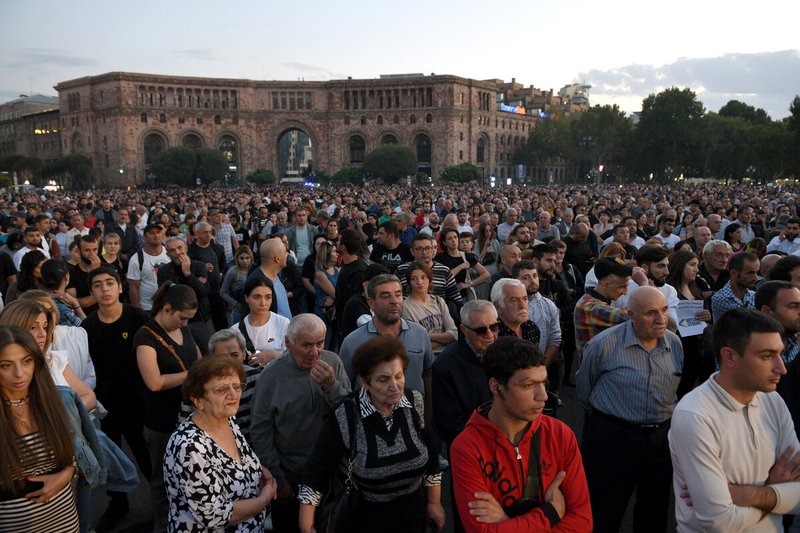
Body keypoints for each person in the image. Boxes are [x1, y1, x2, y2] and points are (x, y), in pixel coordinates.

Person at [669, 308, 800, 532]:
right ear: (729, 356)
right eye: (767, 356)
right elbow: (720, 522)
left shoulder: (773, 401)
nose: (782, 368)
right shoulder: (694, 416)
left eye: (780, 353)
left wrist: (744, 494)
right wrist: (775, 494)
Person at [298, 336, 445, 533]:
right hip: (364, 521)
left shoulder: (414, 402)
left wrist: (434, 503)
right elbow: (315, 473)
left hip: (414, 518)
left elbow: (433, 460)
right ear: (365, 381)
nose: (394, 386)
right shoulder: (347, 414)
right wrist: (307, 526)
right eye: (383, 379)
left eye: (399, 376)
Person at [450, 336, 592, 532]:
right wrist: (550, 514)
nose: (543, 396)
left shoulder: (561, 435)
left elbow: (582, 522)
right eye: (528, 385)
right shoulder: (467, 447)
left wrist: (506, 521)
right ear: (496, 386)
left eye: (543, 383)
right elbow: (480, 530)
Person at [577, 286, 683, 533]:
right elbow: (585, 392)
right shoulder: (603, 345)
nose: (661, 319)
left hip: (659, 442)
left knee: (654, 512)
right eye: (651, 313)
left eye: (664, 310)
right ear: (629, 314)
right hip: (613, 439)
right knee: (605, 510)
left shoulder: (675, 343)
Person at [250, 314, 350, 533]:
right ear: (288, 343)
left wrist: (331, 387)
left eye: (320, 343)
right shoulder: (271, 377)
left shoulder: (332, 363)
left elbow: (349, 416)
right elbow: (261, 432)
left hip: (332, 478)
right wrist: (278, 478)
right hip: (292, 480)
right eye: (306, 345)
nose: (314, 352)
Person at [164, 356, 277, 532]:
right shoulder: (189, 447)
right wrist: (264, 499)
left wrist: (257, 470)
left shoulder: (228, 420)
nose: (233, 395)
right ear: (198, 400)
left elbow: (234, 463)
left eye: (236, 386)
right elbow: (215, 516)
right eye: (221, 389)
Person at [80, 265, 151, 531]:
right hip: (104, 406)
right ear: (92, 292)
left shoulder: (136, 316)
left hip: (139, 401)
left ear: (120, 286)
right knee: (108, 457)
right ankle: (118, 502)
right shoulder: (87, 327)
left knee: (146, 455)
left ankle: (164, 499)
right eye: (98, 285)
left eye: (110, 283)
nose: (105, 289)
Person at [134, 282, 201, 533]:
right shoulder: (145, 336)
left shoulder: (185, 329)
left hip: (189, 418)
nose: (185, 324)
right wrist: (191, 375)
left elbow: (197, 359)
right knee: (162, 481)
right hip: (162, 422)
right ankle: (162, 526)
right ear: (167, 309)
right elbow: (154, 382)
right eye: (182, 318)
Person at [0, 325, 80, 532]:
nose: (20, 373)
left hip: (65, 520)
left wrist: (68, 472)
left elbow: (73, 452)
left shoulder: (52, 400)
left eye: (26, 361)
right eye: (6, 365)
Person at [339, 274, 434, 401]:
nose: (394, 301)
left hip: (415, 414)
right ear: (371, 303)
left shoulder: (420, 333)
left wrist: (429, 413)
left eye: (398, 295)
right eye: (385, 296)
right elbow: (344, 385)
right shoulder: (353, 342)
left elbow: (428, 374)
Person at [0, 299, 96, 411]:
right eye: (33, 327)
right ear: (14, 327)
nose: (42, 334)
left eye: (45, 327)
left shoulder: (54, 362)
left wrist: (65, 414)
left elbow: (89, 396)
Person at [667, 250, 714, 398]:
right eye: (692, 265)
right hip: (680, 346)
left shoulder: (695, 288)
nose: (696, 269)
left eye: (697, 266)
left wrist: (708, 316)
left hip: (699, 347)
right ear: (680, 265)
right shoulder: (670, 290)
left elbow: (705, 314)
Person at [157, 236, 214, 354]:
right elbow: (166, 296)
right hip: (177, 321)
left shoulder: (199, 266)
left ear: (186, 248)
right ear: (168, 255)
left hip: (199, 319)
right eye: (172, 250)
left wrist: (188, 274)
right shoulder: (163, 271)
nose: (177, 253)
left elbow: (203, 292)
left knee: (207, 353)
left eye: (179, 248)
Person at [574, 257, 632, 351]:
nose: (625, 292)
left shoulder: (590, 300)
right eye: (622, 287)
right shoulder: (589, 307)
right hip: (595, 365)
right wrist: (644, 284)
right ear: (606, 285)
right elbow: (637, 318)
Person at [231, 276, 289, 368]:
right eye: (257, 297)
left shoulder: (283, 323)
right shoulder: (235, 331)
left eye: (268, 297)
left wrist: (274, 355)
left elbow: (293, 359)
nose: (263, 303)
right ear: (246, 298)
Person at [402, 261, 457, 353]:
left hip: (447, 354)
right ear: (409, 283)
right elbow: (415, 342)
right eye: (413, 279)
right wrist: (443, 340)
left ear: (429, 279)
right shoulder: (405, 307)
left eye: (423, 277)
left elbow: (454, 334)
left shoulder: (438, 301)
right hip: (425, 358)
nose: (419, 282)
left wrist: (427, 336)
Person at [435, 228, 489, 301]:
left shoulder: (467, 256)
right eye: (450, 238)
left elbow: (486, 274)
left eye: (455, 237)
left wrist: (468, 284)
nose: (453, 240)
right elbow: (444, 277)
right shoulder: (440, 257)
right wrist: (461, 266)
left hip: (463, 297)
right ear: (444, 242)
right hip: (446, 298)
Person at [127, 223, 170, 312]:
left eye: (158, 232)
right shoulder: (136, 259)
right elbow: (133, 287)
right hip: (147, 308)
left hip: (169, 306)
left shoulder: (169, 253)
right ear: (144, 237)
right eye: (151, 233)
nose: (156, 235)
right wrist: (137, 310)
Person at [711, 251, 759, 322]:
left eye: (756, 272)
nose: (755, 278)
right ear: (734, 273)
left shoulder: (754, 295)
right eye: (750, 273)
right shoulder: (720, 298)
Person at [221, 245, 254, 325]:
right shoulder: (232, 272)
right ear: (237, 259)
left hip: (253, 309)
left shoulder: (254, 269)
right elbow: (223, 292)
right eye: (242, 258)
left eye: (247, 258)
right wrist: (236, 304)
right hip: (239, 311)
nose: (245, 261)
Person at [313, 240, 339, 324]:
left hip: (335, 311)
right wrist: (335, 297)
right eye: (334, 251)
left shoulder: (336, 269)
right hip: (324, 315)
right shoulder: (320, 274)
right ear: (327, 254)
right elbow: (336, 294)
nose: (337, 254)